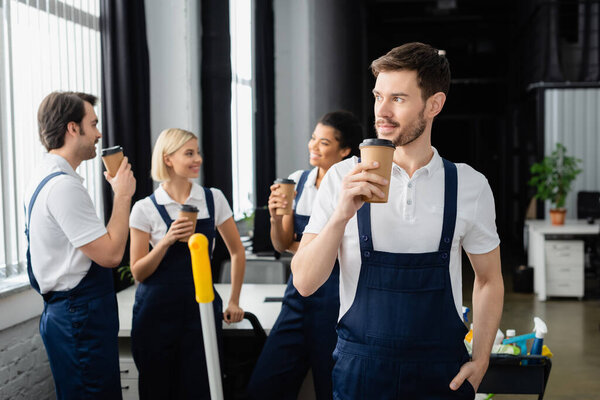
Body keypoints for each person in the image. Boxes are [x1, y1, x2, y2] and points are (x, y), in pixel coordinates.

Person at [292, 42, 504, 399]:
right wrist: (342, 213)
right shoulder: (341, 177)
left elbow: (488, 280)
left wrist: (481, 359)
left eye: (398, 99)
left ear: (434, 105)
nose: (382, 112)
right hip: (360, 371)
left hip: (442, 374)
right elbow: (305, 283)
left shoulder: (469, 185)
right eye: (378, 96)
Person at [24, 91, 136, 399]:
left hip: (70, 314)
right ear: (73, 128)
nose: (99, 134)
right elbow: (112, 255)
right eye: (94, 124)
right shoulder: (63, 187)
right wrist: (123, 195)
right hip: (79, 317)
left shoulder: (42, 175)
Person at [247, 111, 363, 400]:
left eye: (324, 142)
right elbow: (282, 243)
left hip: (336, 300)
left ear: (345, 150)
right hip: (297, 297)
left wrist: (306, 246)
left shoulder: (353, 188)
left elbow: (344, 249)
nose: (313, 146)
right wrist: (276, 217)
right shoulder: (298, 180)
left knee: (330, 386)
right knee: (266, 384)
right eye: (313, 138)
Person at [129, 128, 246, 399]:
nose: (198, 159)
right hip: (155, 313)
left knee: (203, 387)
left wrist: (233, 301)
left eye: (198, 152)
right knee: (157, 389)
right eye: (189, 153)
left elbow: (237, 252)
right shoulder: (145, 208)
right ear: (168, 159)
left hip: (201, 310)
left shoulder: (212, 198)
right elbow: (138, 271)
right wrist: (167, 240)